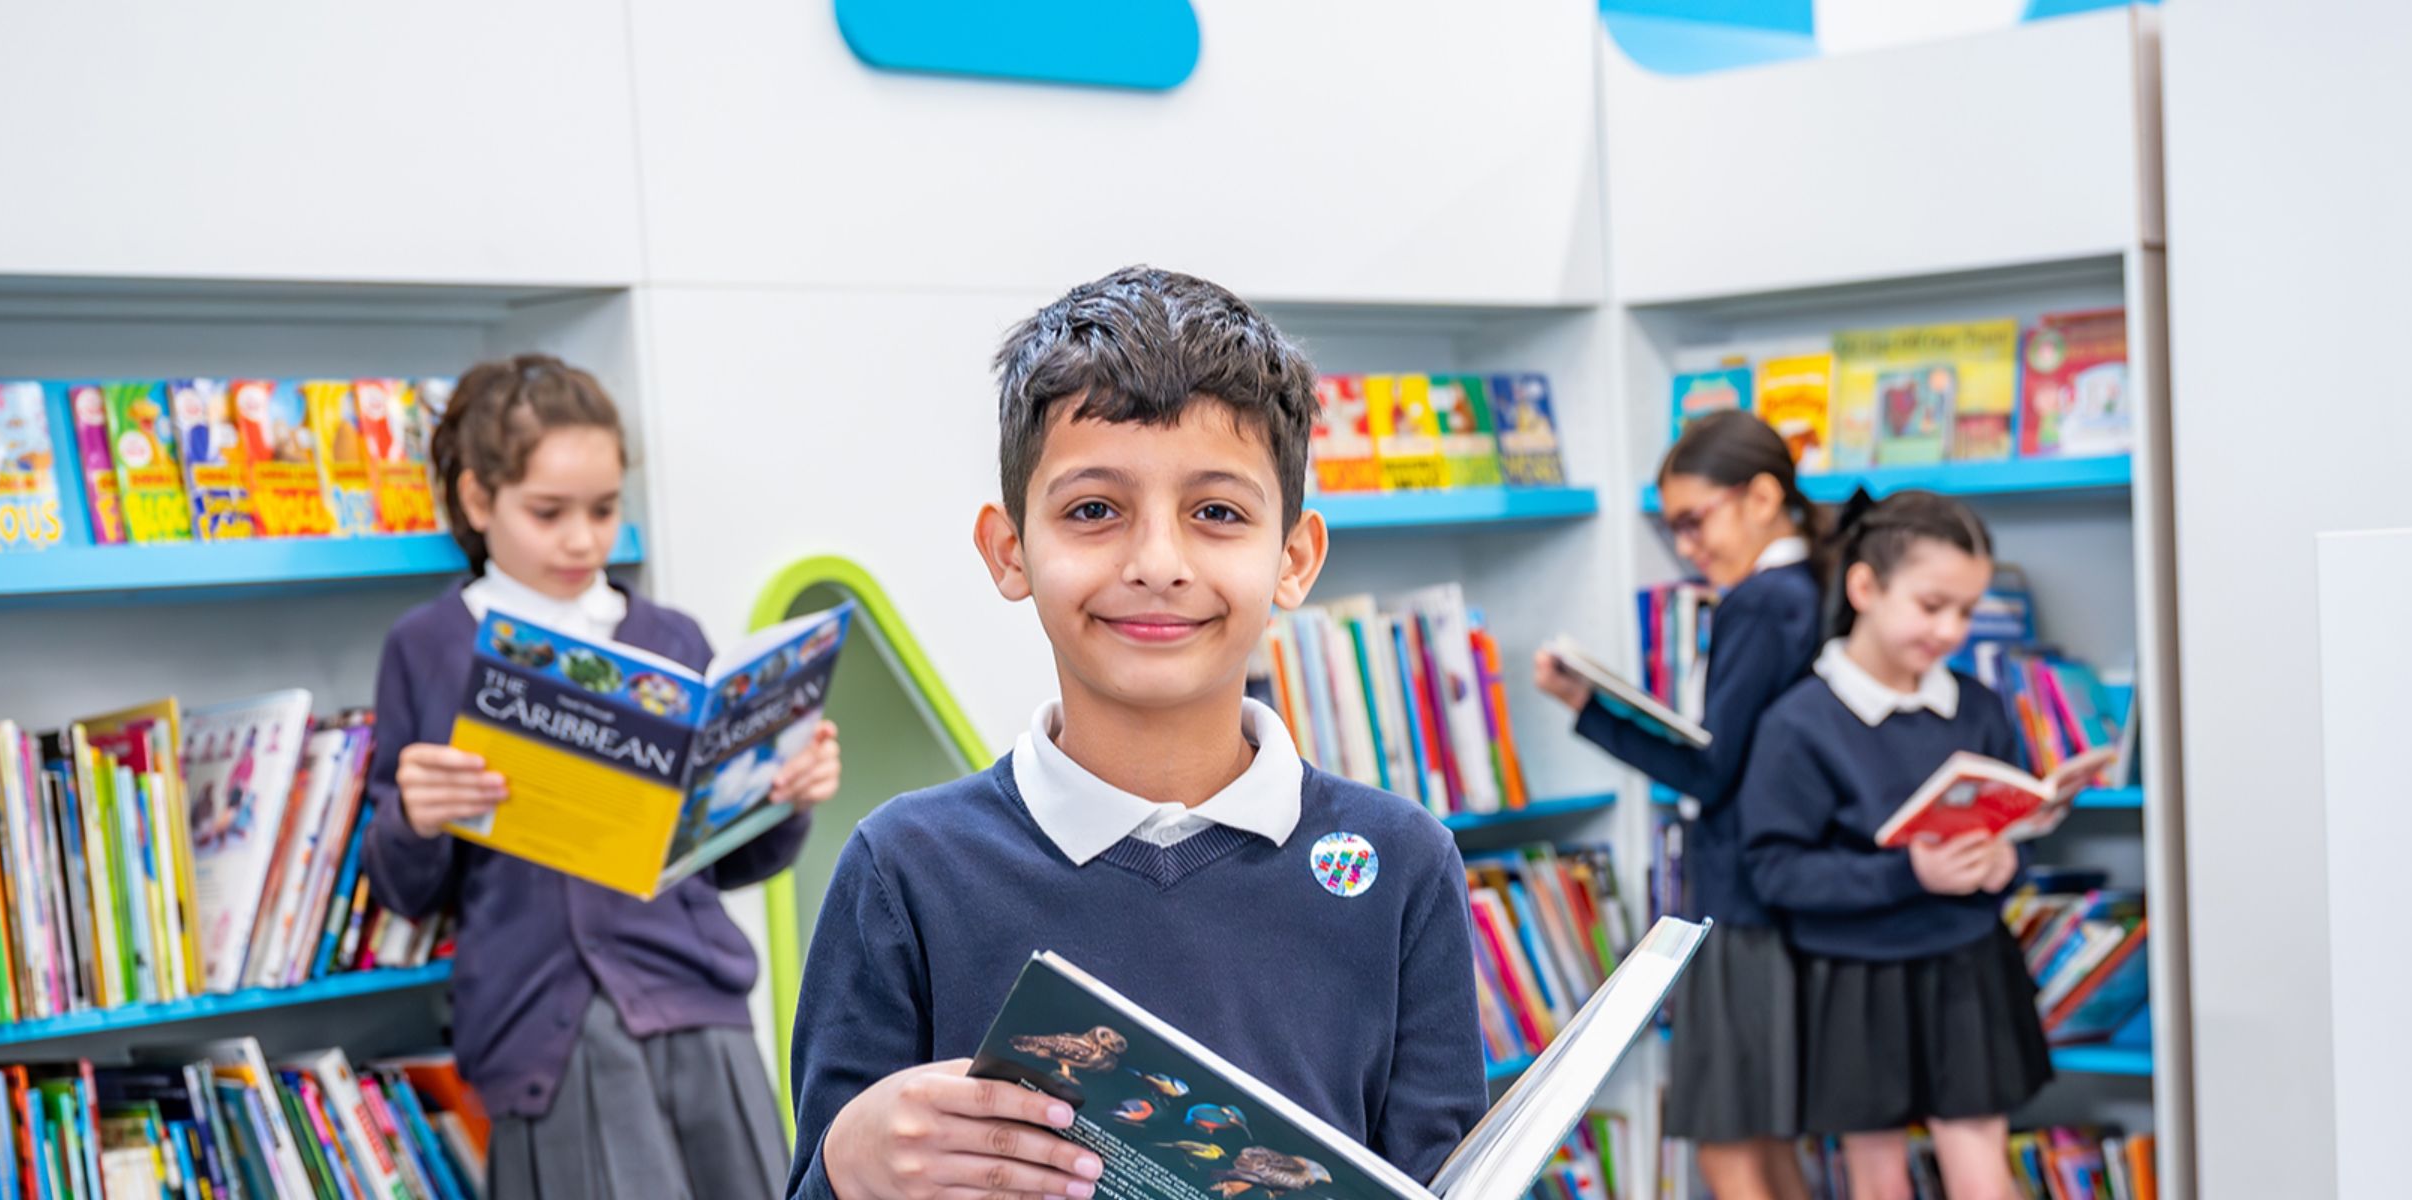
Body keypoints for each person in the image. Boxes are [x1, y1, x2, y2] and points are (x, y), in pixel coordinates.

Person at [783, 266, 1488, 1200]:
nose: (1158, 563)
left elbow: (1440, 1175)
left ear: (1295, 557)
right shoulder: (903, 870)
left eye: (1218, 514)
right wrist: (848, 1164)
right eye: (1093, 511)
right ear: (1009, 550)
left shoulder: (1401, 863)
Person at [361, 352, 844, 1200]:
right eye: (549, 513)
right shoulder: (427, 647)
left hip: (699, 1010)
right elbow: (404, 889)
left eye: (605, 510)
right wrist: (416, 815)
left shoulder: (668, 636)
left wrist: (780, 798)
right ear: (479, 501)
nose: (584, 539)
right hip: (542, 1030)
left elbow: (724, 864)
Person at [1530, 410, 1832, 1200]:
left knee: (1729, 1148)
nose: (1689, 548)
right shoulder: (1814, 588)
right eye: (1674, 532)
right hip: (1786, 901)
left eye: (1695, 522)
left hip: (1737, 900)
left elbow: (1713, 770)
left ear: (1763, 497)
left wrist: (1585, 705)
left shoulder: (1761, 602)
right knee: (1769, 1143)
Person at [1738, 490, 2054, 1200]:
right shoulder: (1800, 723)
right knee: (1876, 1178)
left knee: (1982, 1171)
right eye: (1932, 604)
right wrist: (1910, 873)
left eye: (1967, 612)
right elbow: (1777, 871)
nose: (1951, 629)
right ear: (1865, 588)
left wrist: (2005, 863)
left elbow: (2012, 828)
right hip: (1857, 977)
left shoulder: (1976, 706)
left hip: (1967, 966)